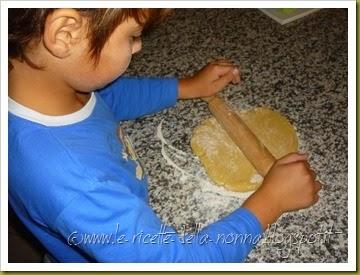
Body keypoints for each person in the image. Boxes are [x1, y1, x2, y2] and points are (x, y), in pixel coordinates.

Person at [8, 8, 322, 263]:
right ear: (65, 33)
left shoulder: (44, 87)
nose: (139, 46)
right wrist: (271, 202)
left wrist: (184, 87)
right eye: (133, 36)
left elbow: (104, 100)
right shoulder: (74, 184)